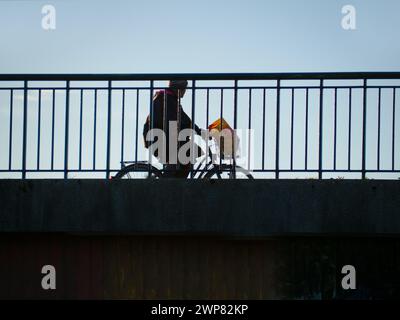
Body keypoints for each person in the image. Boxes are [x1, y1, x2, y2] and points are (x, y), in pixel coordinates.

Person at [143, 80, 203, 178]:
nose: (185, 92)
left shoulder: (169, 99)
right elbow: (178, 120)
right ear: (178, 88)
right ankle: (167, 183)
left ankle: (176, 183)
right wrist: (197, 132)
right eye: (184, 89)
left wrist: (198, 131)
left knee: (188, 154)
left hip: (161, 138)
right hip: (158, 139)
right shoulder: (167, 99)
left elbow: (184, 120)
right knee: (188, 152)